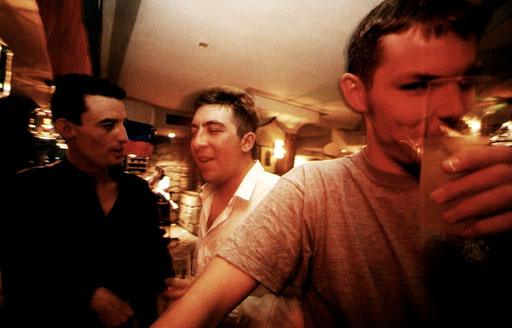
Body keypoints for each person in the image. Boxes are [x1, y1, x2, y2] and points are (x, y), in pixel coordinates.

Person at [151, 0, 512, 327]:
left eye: (464, 82)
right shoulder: (312, 189)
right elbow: (204, 301)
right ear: (357, 93)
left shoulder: (496, 180)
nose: (454, 107)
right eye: (418, 85)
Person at [1, 74, 173, 328]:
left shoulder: (136, 192)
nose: (123, 137)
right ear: (66, 129)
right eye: (108, 125)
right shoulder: (29, 190)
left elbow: (157, 265)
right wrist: (86, 294)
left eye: (123, 123)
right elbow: (18, 280)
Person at [164, 86, 300, 326]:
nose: (197, 142)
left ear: (246, 142)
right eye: (194, 131)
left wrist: (205, 300)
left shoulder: (280, 198)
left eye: (214, 130)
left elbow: (299, 305)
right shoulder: (207, 192)